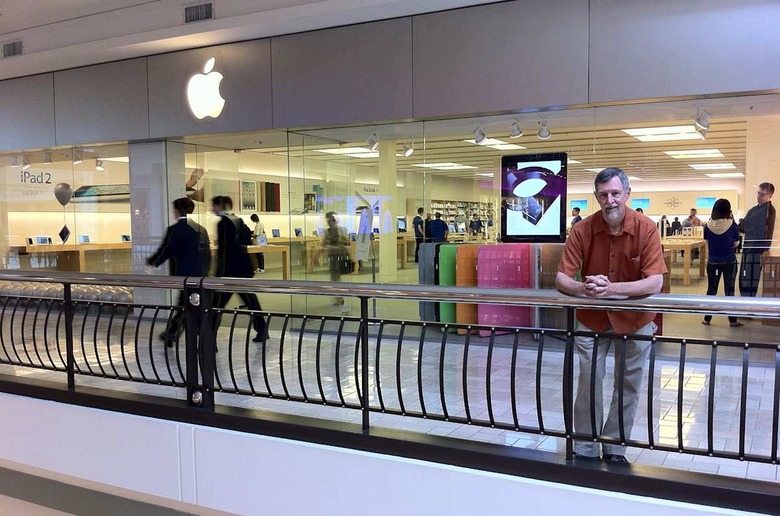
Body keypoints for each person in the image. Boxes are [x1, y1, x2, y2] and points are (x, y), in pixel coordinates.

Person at [555, 167, 666, 463]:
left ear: (627, 194)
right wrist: (583, 287)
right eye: (604, 194)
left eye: (616, 193)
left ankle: (615, 447)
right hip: (591, 317)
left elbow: (655, 281)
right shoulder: (582, 229)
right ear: (596, 197)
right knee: (589, 379)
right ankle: (586, 446)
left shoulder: (646, 228)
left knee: (628, 383)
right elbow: (561, 279)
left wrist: (611, 288)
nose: (610, 200)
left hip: (636, 319)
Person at [147, 197, 211, 347]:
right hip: (200, 274)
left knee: (186, 305)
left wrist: (153, 262)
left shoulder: (176, 229)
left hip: (185, 274)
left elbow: (167, 249)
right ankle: (175, 334)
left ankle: (181, 335)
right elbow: (207, 254)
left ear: (176, 211)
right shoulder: (201, 229)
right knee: (191, 305)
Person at [211, 196, 266, 343]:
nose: (212, 209)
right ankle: (262, 329)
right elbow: (247, 236)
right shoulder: (238, 220)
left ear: (221, 206)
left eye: (214, 206)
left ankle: (209, 337)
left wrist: (219, 274)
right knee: (250, 300)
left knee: (217, 305)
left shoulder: (223, 223)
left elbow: (224, 250)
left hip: (230, 271)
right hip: (242, 267)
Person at [702, 199, 741, 327]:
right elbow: (736, 243)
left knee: (711, 290)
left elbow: (707, 242)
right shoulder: (732, 225)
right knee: (729, 291)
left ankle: (707, 319)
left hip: (713, 262)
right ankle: (732, 320)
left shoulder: (707, 226)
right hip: (729, 261)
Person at [739, 182, 776, 297]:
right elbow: (743, 227)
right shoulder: (754, 209)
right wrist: (743, 223)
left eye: (762, 194)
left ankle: (748, 306)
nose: (758, 196)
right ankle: (744, 304)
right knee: (744, 277)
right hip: (748, 247)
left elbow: (747, 225)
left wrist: (765, 249)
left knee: (751, 279)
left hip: (757, 249)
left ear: (769, 195)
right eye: (758, 193)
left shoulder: (769, 210)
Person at [322, 211, 350, 313]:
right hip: (334, 256)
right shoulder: (335, 231)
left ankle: (339, 296)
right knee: (335, 278)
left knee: (335, 278)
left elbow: (347, 241)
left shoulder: (339, 231)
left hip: (337, 256)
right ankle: (338, 297)